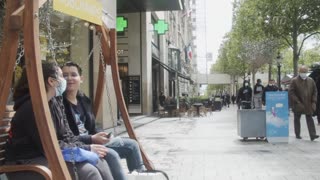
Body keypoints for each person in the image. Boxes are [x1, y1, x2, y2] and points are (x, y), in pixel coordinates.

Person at [5, 61, 113, 180]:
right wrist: (86, 149)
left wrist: (87, 147)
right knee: (89, 171)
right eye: (62, 76)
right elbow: (49, 145)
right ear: (51, 81)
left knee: (99, 161)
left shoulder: (53, 103)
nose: (65, 80)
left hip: (46, 156)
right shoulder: (32, 108)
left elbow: (67, 136)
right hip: (27, 163)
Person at [61, 61, 146, 180]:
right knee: (112, 155)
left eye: (73, 75)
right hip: (80, 144)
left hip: (93, 139)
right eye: (65, 75)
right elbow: (66, 137)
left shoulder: (83, 100)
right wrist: (92, 139)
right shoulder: (59, 104)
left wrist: (102, 135)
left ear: (81, 79)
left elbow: (92, 125)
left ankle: (140, 174)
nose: (69, 78)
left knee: (132, 145)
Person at [289, 65, 319, 141]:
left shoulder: (311, 80)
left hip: (308, 103)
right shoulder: (294, 80)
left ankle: (313, 135)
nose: (304, 73)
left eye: (305, 72)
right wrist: (297, 101)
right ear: (299, 72)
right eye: (302, 72)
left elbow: (315, 91)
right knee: (297, 119)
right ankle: (297, 134)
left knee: (309, 118)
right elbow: (291, 92)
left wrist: (314, 101)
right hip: (298, 103)